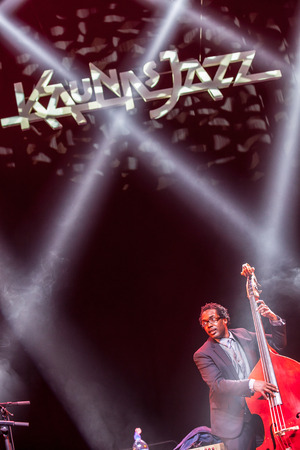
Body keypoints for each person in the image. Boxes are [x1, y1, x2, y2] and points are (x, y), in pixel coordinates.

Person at [193, 300, 287, 450]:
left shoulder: (242, 334)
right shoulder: (203, 354)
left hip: (261, 412)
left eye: (212, 319)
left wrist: (274, 319)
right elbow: (218, 385)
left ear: (224, 320)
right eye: (204, 323)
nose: (209, 325)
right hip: (234, 420)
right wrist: (252, 384)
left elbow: (277, 345)